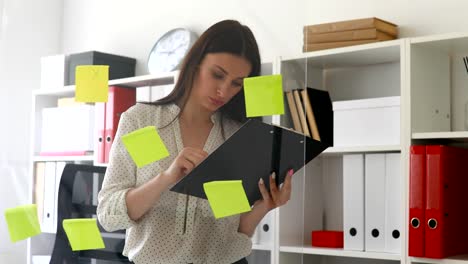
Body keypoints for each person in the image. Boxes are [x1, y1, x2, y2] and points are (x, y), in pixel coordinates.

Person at [97, 19, 293, 264]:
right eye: (217, 75)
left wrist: (264, 206)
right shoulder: (142, 122)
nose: (223, 90)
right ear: (195, 64)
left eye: (236, 84)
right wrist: (166, 178)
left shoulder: (237, 137)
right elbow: (108, 214)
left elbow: (233, 231)